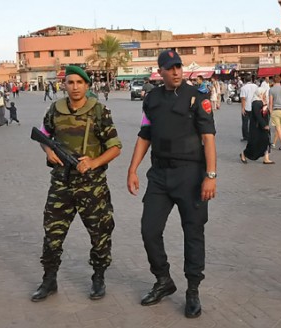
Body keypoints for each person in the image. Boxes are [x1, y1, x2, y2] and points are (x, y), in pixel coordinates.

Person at [127, 50, 216, 319]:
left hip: (191, 174)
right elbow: (145, 134)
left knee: (193, 232)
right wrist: (133, 169)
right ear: (160, 71)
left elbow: (209, 137)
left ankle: (192, 290)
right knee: (149, 230)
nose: (176, 71)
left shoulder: (197, 99)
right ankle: (163, 279)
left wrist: (210, 175)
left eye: (178, 66)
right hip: (160, 176)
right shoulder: (151, 99)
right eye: (170, 67)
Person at [31, 65, 122, 302]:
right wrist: (48, 148)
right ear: (64, 85)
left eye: (79, 83)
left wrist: (93, 162)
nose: (75, 87)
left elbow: (115, 147)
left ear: (87, 86)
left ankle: (98, 277)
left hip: (92, 186)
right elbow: (43, 134)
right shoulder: (56, 109)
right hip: (61, 184)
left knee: (100, 234)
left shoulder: (99, 111)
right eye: (70, 83)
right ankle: (49, 280)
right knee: (52, 234)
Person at [240, 87, 275, 164]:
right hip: (257, 127)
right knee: (255, 143)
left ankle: (266, 158)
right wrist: (264, 125)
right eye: (263, 93)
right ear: (260, 93)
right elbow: (257, 115)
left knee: (266, 141)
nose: (265, 95)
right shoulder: (256, 103)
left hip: (263, 126)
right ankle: (244, 153)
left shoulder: (262, 102)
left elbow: (266, 113)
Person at [269, 76, 281, 150]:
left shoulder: (271, 90)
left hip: (275, 110)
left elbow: (271, 102)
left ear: (273, 81)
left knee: (278, 128)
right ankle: (273, 143)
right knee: (278, 127)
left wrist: (270, 111)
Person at [240, 76, 258, 141]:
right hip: (255, 106)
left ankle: (246, 136)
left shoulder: (243, 88)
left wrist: (243, 108)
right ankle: (254, 135)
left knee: (245, 122)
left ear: (244, 80)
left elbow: (243, 99)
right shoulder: (256, 86)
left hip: (247, 107)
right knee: (254, 122)